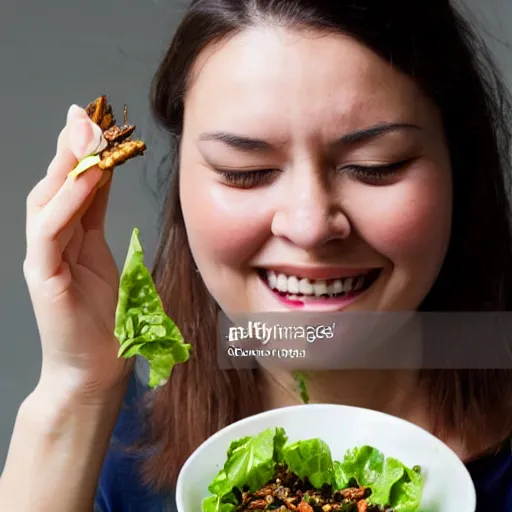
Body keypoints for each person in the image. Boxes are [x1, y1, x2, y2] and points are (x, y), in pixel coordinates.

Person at [1, 0, 512, 510]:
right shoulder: (124, 448)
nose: (309, 226)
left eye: (375, 166)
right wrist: (76, 388)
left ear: (458, 166)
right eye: (244, 170)